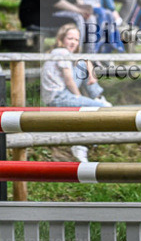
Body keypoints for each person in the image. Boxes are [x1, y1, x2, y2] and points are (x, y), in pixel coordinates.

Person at [41, 23, 111, 162]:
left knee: (82, 63)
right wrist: (78, 97)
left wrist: (91, 73)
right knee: (103, 110)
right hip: (58, 98)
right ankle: (80, 144)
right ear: (61, 39)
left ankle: (97, 97)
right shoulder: (62, 52)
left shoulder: (61, 53)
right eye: (70, 38)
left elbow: (84, 60)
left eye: (76, 40)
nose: (73, 42)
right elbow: (68, 79)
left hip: (62, 94)